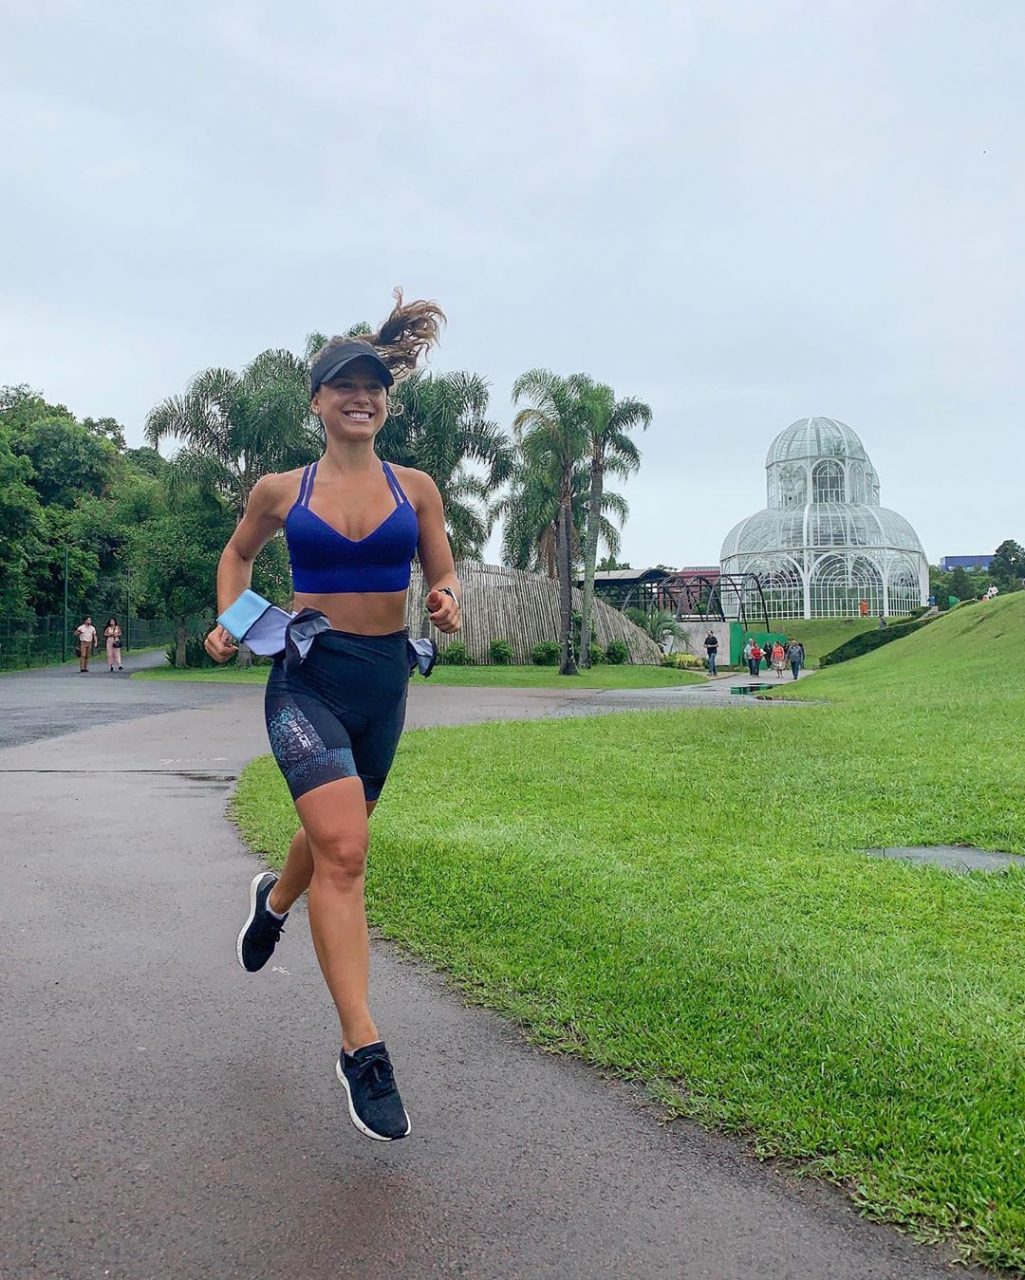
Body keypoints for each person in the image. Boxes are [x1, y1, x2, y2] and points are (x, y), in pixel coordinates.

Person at [204, 292, 459, 1144]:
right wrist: (234, 623)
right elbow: (237, 556)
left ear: (385, 402)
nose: (361, 396)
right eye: (343, 385)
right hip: (307, 678)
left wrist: (449, 595)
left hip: (385, 681)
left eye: (374, 385)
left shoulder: (414, 487)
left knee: (331, 837)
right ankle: (363, 1049)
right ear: (315, 402)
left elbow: (439, 563)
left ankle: (272, 903)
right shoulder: (282, 489)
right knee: (346, 850)